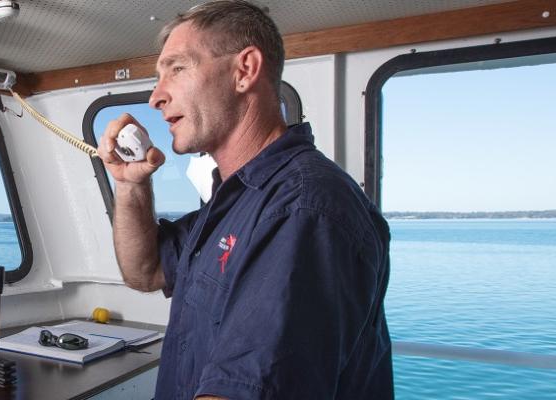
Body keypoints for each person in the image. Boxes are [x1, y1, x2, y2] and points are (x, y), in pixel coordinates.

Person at [96, 1, 393, 399]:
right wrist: (131, 184)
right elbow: (145, 271)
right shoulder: (235, 201)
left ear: (244, 70)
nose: (156, 98)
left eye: (177, 69)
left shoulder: (302, 207)